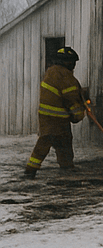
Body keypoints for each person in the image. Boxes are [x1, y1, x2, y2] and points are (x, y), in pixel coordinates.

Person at [24, 46, 86, 177]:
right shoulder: (65, 76)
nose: (74, 66)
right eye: (72, 62)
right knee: (51, 145)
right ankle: (32, 172)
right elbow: (71, 98)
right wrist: (79, 114)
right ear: (67, 62)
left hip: (48, 119)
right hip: (58, 120)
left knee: (58, 144)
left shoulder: (51, 72)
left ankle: (32, 171)